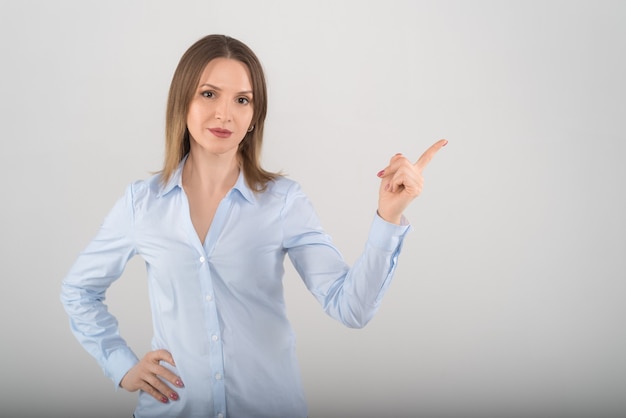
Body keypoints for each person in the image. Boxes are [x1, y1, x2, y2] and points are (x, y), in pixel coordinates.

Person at [60, 34, 447, 418]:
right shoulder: (141, 203)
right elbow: (79, 290)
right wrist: (122, 366)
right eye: (209, 94)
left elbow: (351, 308)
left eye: (242, 100)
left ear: (254, 116)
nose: (224, 114)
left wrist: (388, 216)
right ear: (183, 100)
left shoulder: (282, 202)